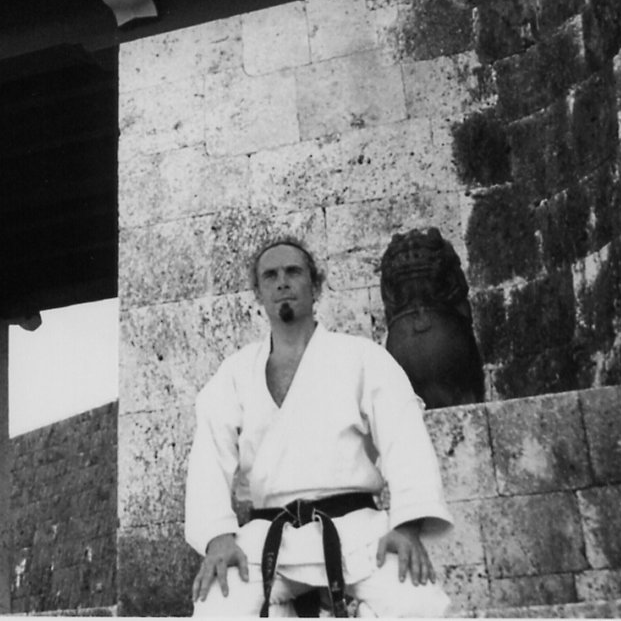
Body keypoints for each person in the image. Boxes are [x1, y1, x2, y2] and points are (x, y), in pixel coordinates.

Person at [186, 238, 453, 617]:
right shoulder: (233, 373)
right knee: (216, 610)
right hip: (266, 538)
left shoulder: (361, 357)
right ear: (259, 292)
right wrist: (217, 538)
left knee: (421, 605)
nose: (282, 282)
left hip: (356, 531)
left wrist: (407, 525)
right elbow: (209, 454)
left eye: (293, 272)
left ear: (315, 285)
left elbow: (403, 433)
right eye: (270, 275)